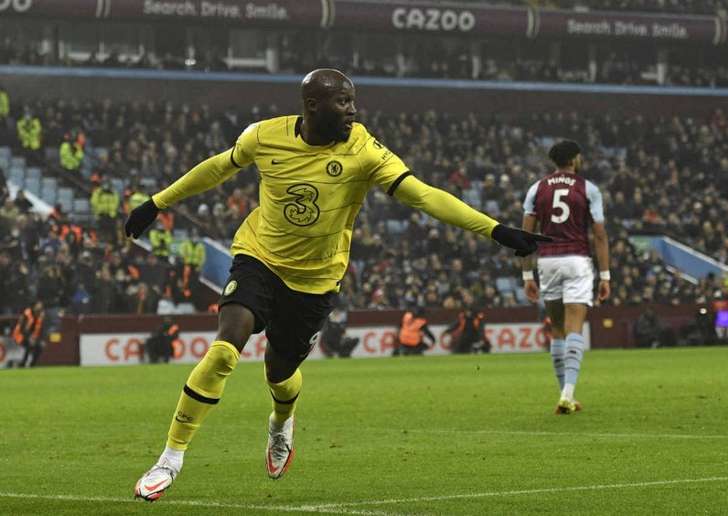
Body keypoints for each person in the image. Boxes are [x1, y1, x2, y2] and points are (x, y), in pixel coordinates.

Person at [125, 68, 549, 502]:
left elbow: (423, 195)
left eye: (352, 101)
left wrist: (496, 230)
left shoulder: (365, 150)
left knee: (280, 373)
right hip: (259, 258)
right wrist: (156, 203)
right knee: (223, 350)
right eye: (343, 102)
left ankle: (280, 422)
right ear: (313, 105)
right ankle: (170, 459)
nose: (353, 109)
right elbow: (217, 168)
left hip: (316, 278)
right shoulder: (265, 136)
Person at [521, 140, 610, 415]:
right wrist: (605, 275)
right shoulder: (588, 189)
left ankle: (565, 394)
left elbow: (525, 235)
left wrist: (527, 274)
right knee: (574, 326)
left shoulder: (537, 188)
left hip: (547, 262)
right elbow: (599, 234)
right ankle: (568, 393)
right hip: (577, 260)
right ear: (574, 159)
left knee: (557, 327)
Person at [12, 300, 45, 367]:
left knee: (40, 347)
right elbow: (22, 329)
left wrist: (40, 340)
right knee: (29, 345)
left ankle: (32, 364)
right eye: (38, 305)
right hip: (19, 336)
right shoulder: (26, 314)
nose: (40, 307)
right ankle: (22, 364)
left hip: (32, 337)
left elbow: (40, 330)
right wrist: (29, 338)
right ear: (34, 306)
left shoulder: (40, 316)